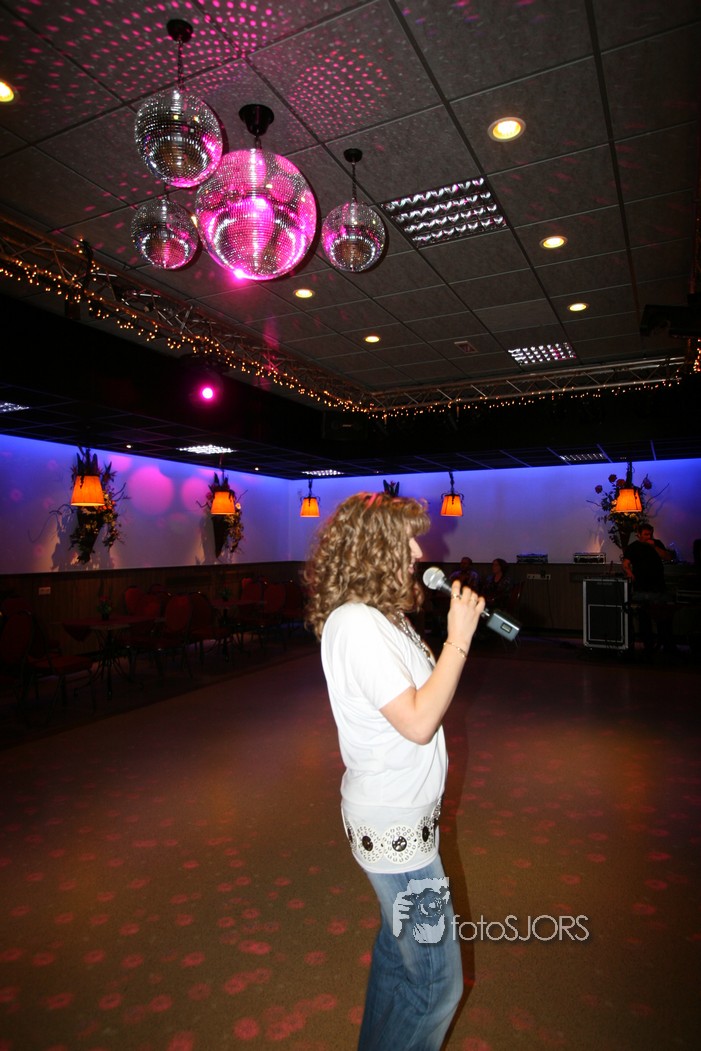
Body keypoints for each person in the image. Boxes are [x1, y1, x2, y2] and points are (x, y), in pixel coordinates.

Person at [303, 492, 485, 1051]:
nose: (418, 552)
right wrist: (458, 639)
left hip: (402, 815)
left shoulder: (383, 617)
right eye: (406, 541)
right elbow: (418, 722)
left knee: (397, 956)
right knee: (435, 987)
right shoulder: (356, 623)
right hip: (392, 822)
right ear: (374, 547)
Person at [622, 523, 675, 654]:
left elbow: (668, 557)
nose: (648, 537)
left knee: (663, 618)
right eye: (645, 534)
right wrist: (629, 572)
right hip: (642, 587)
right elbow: (626, 563)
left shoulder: (657, 543)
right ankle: (648, 647)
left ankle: (667, 645)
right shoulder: (633, 547)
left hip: (658, 586)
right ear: (638, 534)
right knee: (644, 618)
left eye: (650, 534)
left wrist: (654, 547)